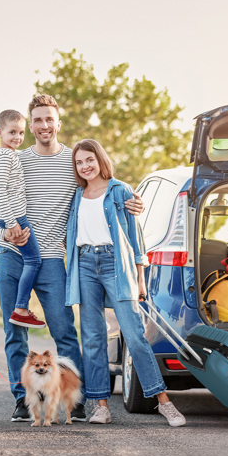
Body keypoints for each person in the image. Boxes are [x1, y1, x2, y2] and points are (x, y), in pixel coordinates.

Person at [0, 94, 143, 423]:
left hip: (53, 259)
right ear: (30, 126)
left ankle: (76, 397)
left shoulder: (74, 161)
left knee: (64, 330)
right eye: (38, 120)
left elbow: (105, 184)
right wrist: (6, 234)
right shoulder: (16, 159)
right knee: (16, 331)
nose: (44, 125)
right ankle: (21, 398)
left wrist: (133, 200)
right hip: (12, 255)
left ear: (59, 123)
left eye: (49, 119)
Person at [65, 139, 186, 427]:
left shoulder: (121, 191)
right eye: (80, 162)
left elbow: (136, 239)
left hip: (115, 264)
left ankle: (163, 402)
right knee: (93, 340)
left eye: (89, 160)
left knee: (134, 336)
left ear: (100, 159)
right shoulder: (77, 195)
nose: (85, 167)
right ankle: (101, 406)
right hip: (84, 265)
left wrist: (141, 279)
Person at [0, 109, 44, 328]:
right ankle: (21, 308)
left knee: (25, 256)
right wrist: (11, 224)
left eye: (21, 133)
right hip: (15, 215)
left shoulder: (8, 155)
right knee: (33, 260)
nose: (17, 138)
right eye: (12, 133)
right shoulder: (3, 160)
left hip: (6, 214)